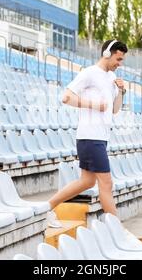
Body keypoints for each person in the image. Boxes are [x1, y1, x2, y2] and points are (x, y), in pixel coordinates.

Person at [47, 40, 128, 226]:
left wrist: (122, 91)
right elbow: (66, 97)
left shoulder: (111, 78)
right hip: (90, 137)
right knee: (106, 184)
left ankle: (46, 208)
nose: (120, 63)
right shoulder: (90, 73)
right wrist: (94, 105)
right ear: (107, 54)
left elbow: (115, 110)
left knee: (87, 182)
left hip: (100, 137)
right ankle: (118, 230)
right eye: (118, 59)